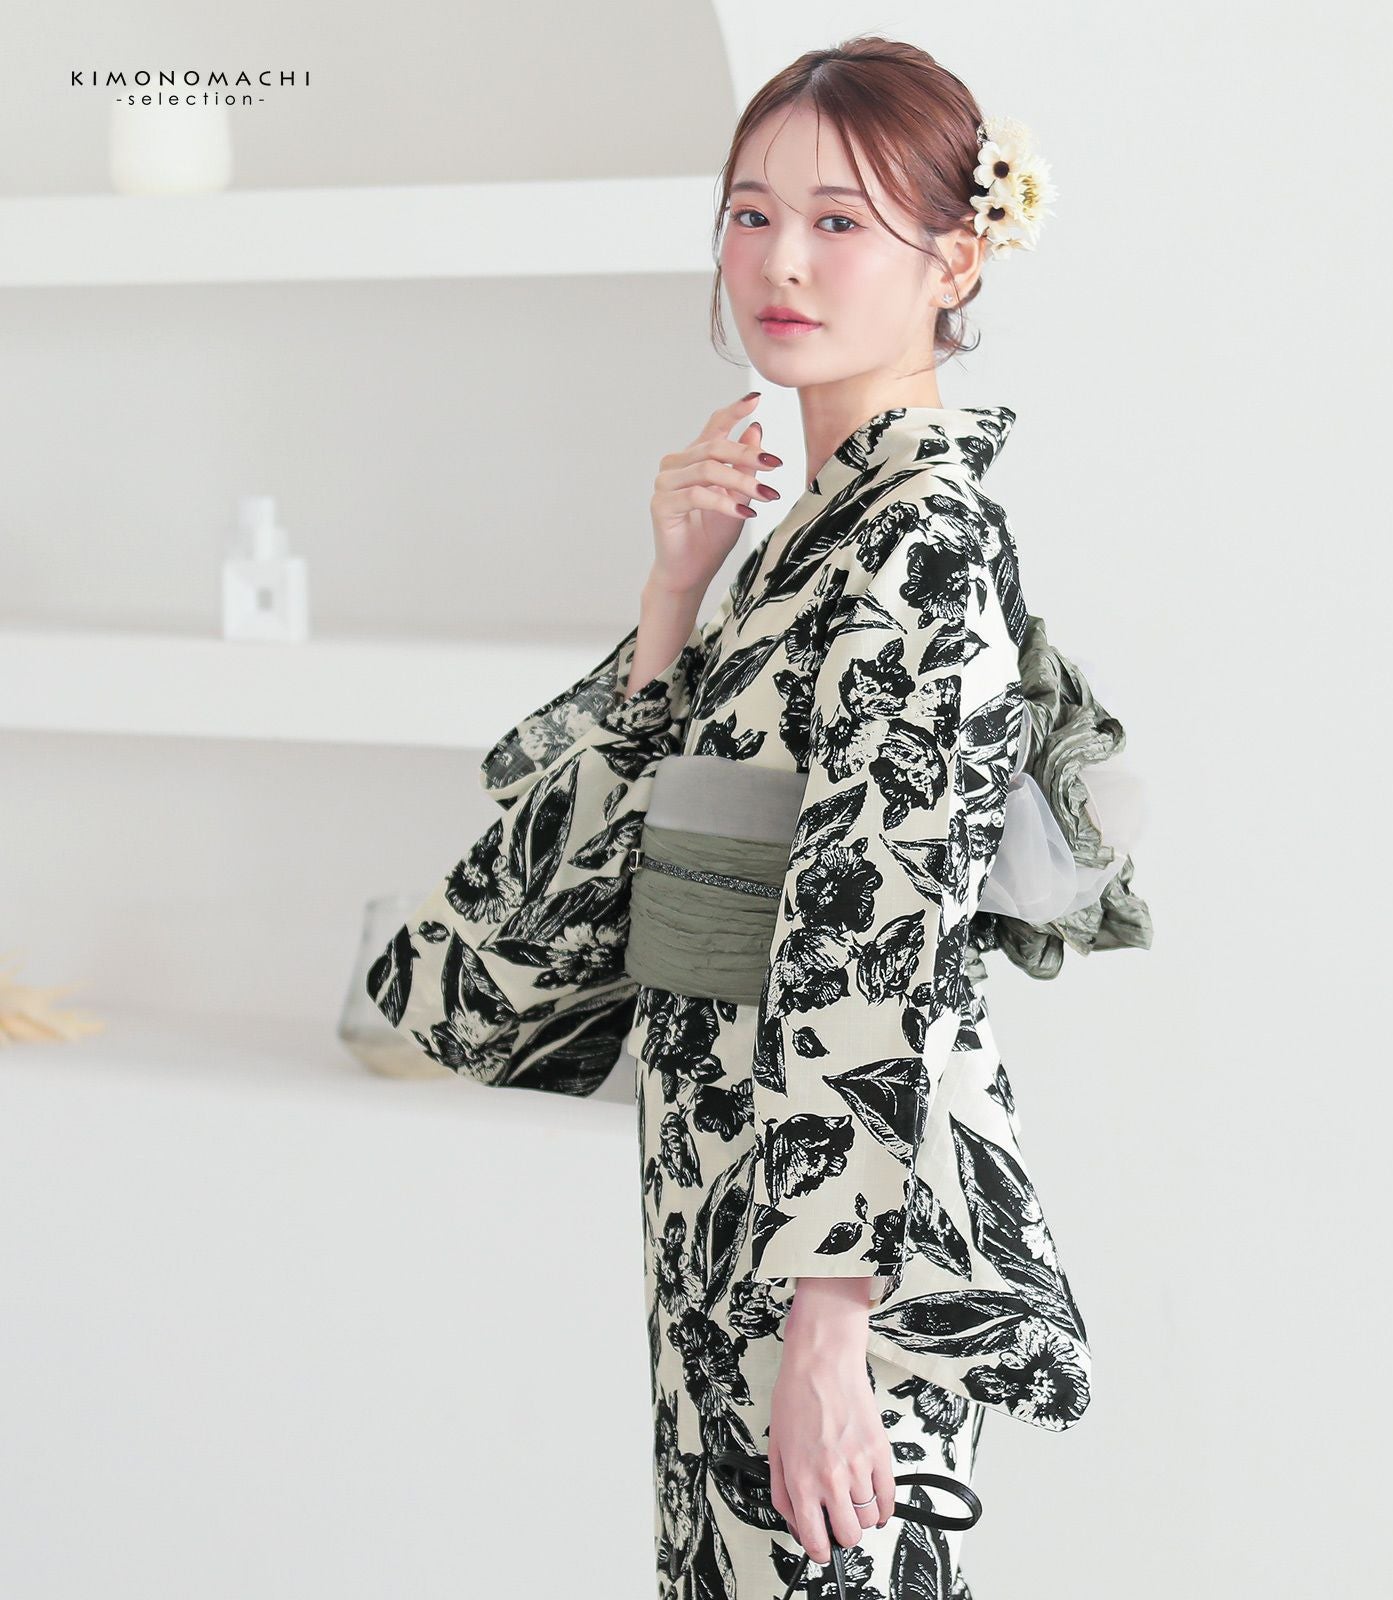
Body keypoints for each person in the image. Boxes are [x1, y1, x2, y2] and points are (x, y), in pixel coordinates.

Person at [368, 35, 1152, 1600]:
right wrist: (673, 599)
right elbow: (604, 865)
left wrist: (831, 1330)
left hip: (825, 1252)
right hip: (729, 1192)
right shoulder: (807, 535)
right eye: (750, 213)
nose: (780, 260)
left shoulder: (919, 545)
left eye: (839, 220)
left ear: (957, 257)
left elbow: (877, 937)